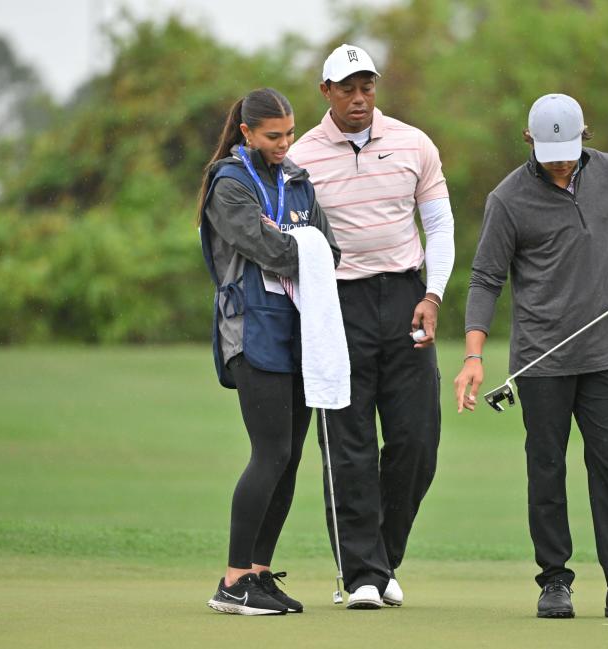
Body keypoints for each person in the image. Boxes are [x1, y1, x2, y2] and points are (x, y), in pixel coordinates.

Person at [453, 94, 608, 619]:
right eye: (549, 151)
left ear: (586, 137)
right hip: (542, 359)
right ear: (529, 141)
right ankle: (555, 581)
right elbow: (486, 278)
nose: (560, 161)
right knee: (546, 469)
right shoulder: (507, 199)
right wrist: (473, 354)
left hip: (604, 354)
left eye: (569, 150)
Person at [289, 44, 456, 609]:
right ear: (326, 92)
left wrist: (434, 294)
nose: (359, 98)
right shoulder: (302, 158)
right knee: (348, 442)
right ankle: (362, 573)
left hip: (408, 297)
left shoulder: (414, 143)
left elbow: (440, 226)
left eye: (367, 87)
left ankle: (382, 559)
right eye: (347, 88)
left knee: (417, 439)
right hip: (338, 304)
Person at [197, 87, 341, 616]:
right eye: (273, 136)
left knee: (289, 458)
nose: (285, 144)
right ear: (247, 134)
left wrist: (301, 245)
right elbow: (269, 248)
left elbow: (333, 248)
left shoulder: (296, 180)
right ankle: (232, 581)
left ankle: (258, 572)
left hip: (301, 332)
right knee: (270, 452)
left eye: (290, 133)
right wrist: (301, 245)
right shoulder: (230, 185)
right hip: (250, 329)